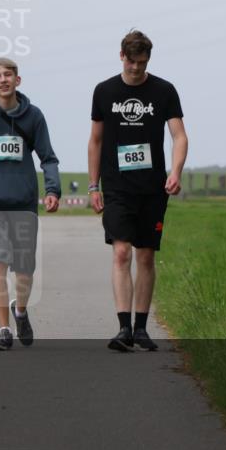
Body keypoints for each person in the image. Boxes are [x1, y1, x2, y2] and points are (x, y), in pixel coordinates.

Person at [87, 30, 188, 352]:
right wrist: (93, 186)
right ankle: (123, 328)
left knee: (145, 256)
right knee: (121, 252)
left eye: (142, 63)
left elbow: (179, 136)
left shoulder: (164, 90)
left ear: (148, 60)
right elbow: (96, 141)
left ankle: (142, 328)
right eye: (131, 62)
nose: (136, 69)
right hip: (117, 185)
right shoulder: (104, 91)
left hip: (152, 187)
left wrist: (175, 171)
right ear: (121, 56)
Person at [0, 58, 60, 351]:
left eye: (8, 75)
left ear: (18, 80)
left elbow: (48, 157)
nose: (3, 80)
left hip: (23, 203)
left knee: (24, 269)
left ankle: (20, 311)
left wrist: (53, 189)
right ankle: (3, 329)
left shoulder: (34, 116)